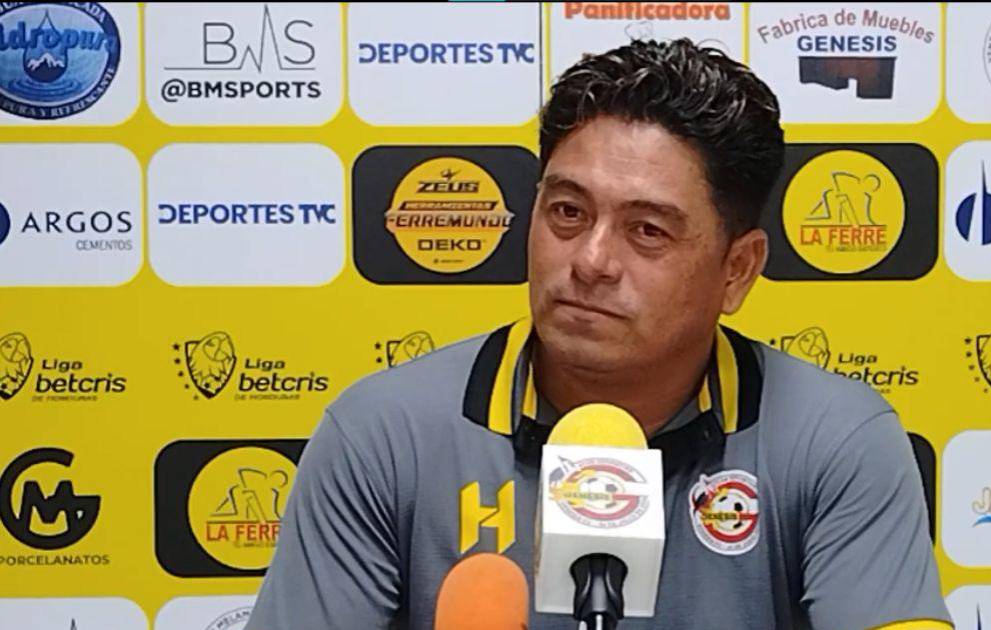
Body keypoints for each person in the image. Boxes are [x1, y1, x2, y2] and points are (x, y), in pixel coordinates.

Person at [247, 38, 951, 630]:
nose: (589, 261)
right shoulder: (382, 435)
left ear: (737, 270)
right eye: (567, 212)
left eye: (647, 231)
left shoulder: (838, 441)